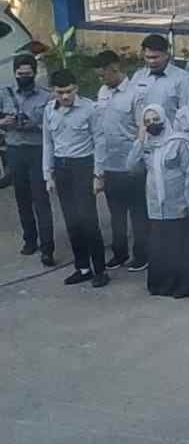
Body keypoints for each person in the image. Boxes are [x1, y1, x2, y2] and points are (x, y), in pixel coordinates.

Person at [126, 103, 189, 297]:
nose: (152, 124)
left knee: (178, 248)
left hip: (178, 204)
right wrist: (140, 139)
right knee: (159, 248)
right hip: (155, 206)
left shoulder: (178, 142)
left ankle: (181, 287)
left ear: (164, 119)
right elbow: (131, 166)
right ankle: (161, 286)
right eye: (147, 121)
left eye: (156, 119)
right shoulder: (146, 145)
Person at [42, 69, 108, 286]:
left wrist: (98, 174)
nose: (65, 96)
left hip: (83, 167)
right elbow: (48, 143)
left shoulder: (89, 108)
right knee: (72, 222)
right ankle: (83, 268)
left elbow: (99, 141)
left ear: (76, 88)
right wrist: (48, 174)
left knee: (88, 222)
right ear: (53, 91)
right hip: (61, 169)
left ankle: (100, 270)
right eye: (60, 92)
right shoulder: (49, 110)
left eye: (69, 91)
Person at [94, 50, 149, 272]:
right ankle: (119, 253)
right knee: (115, 213)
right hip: (110, 164)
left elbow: (142, 130)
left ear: (115, 69)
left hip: (131, 166)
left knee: (138, 214)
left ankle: (141, 255)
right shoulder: (102, 92)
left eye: (103, 75)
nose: (101, 80)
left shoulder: (137, 94)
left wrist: (136, 160)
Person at [1, 53, 55, 264]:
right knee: (22, 199)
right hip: (14, 150)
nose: (24, 77)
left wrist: (35, 124)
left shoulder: (46, 96)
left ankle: (47, 247)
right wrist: (3, 122)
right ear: (14, 73)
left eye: (27, 74)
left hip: (37, 151)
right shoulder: (5, 93)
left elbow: (53, 125)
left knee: (41, 199)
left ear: (34, 73)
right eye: (20, 74)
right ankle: (30, 240)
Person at [129, 34, 189, 124]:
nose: (151, 61)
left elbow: (185, 114)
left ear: (167, 55)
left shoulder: (182, 78)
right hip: (142, 131)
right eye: (148, 57)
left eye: (155, 57)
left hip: (169, 131)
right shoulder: (138, 76)